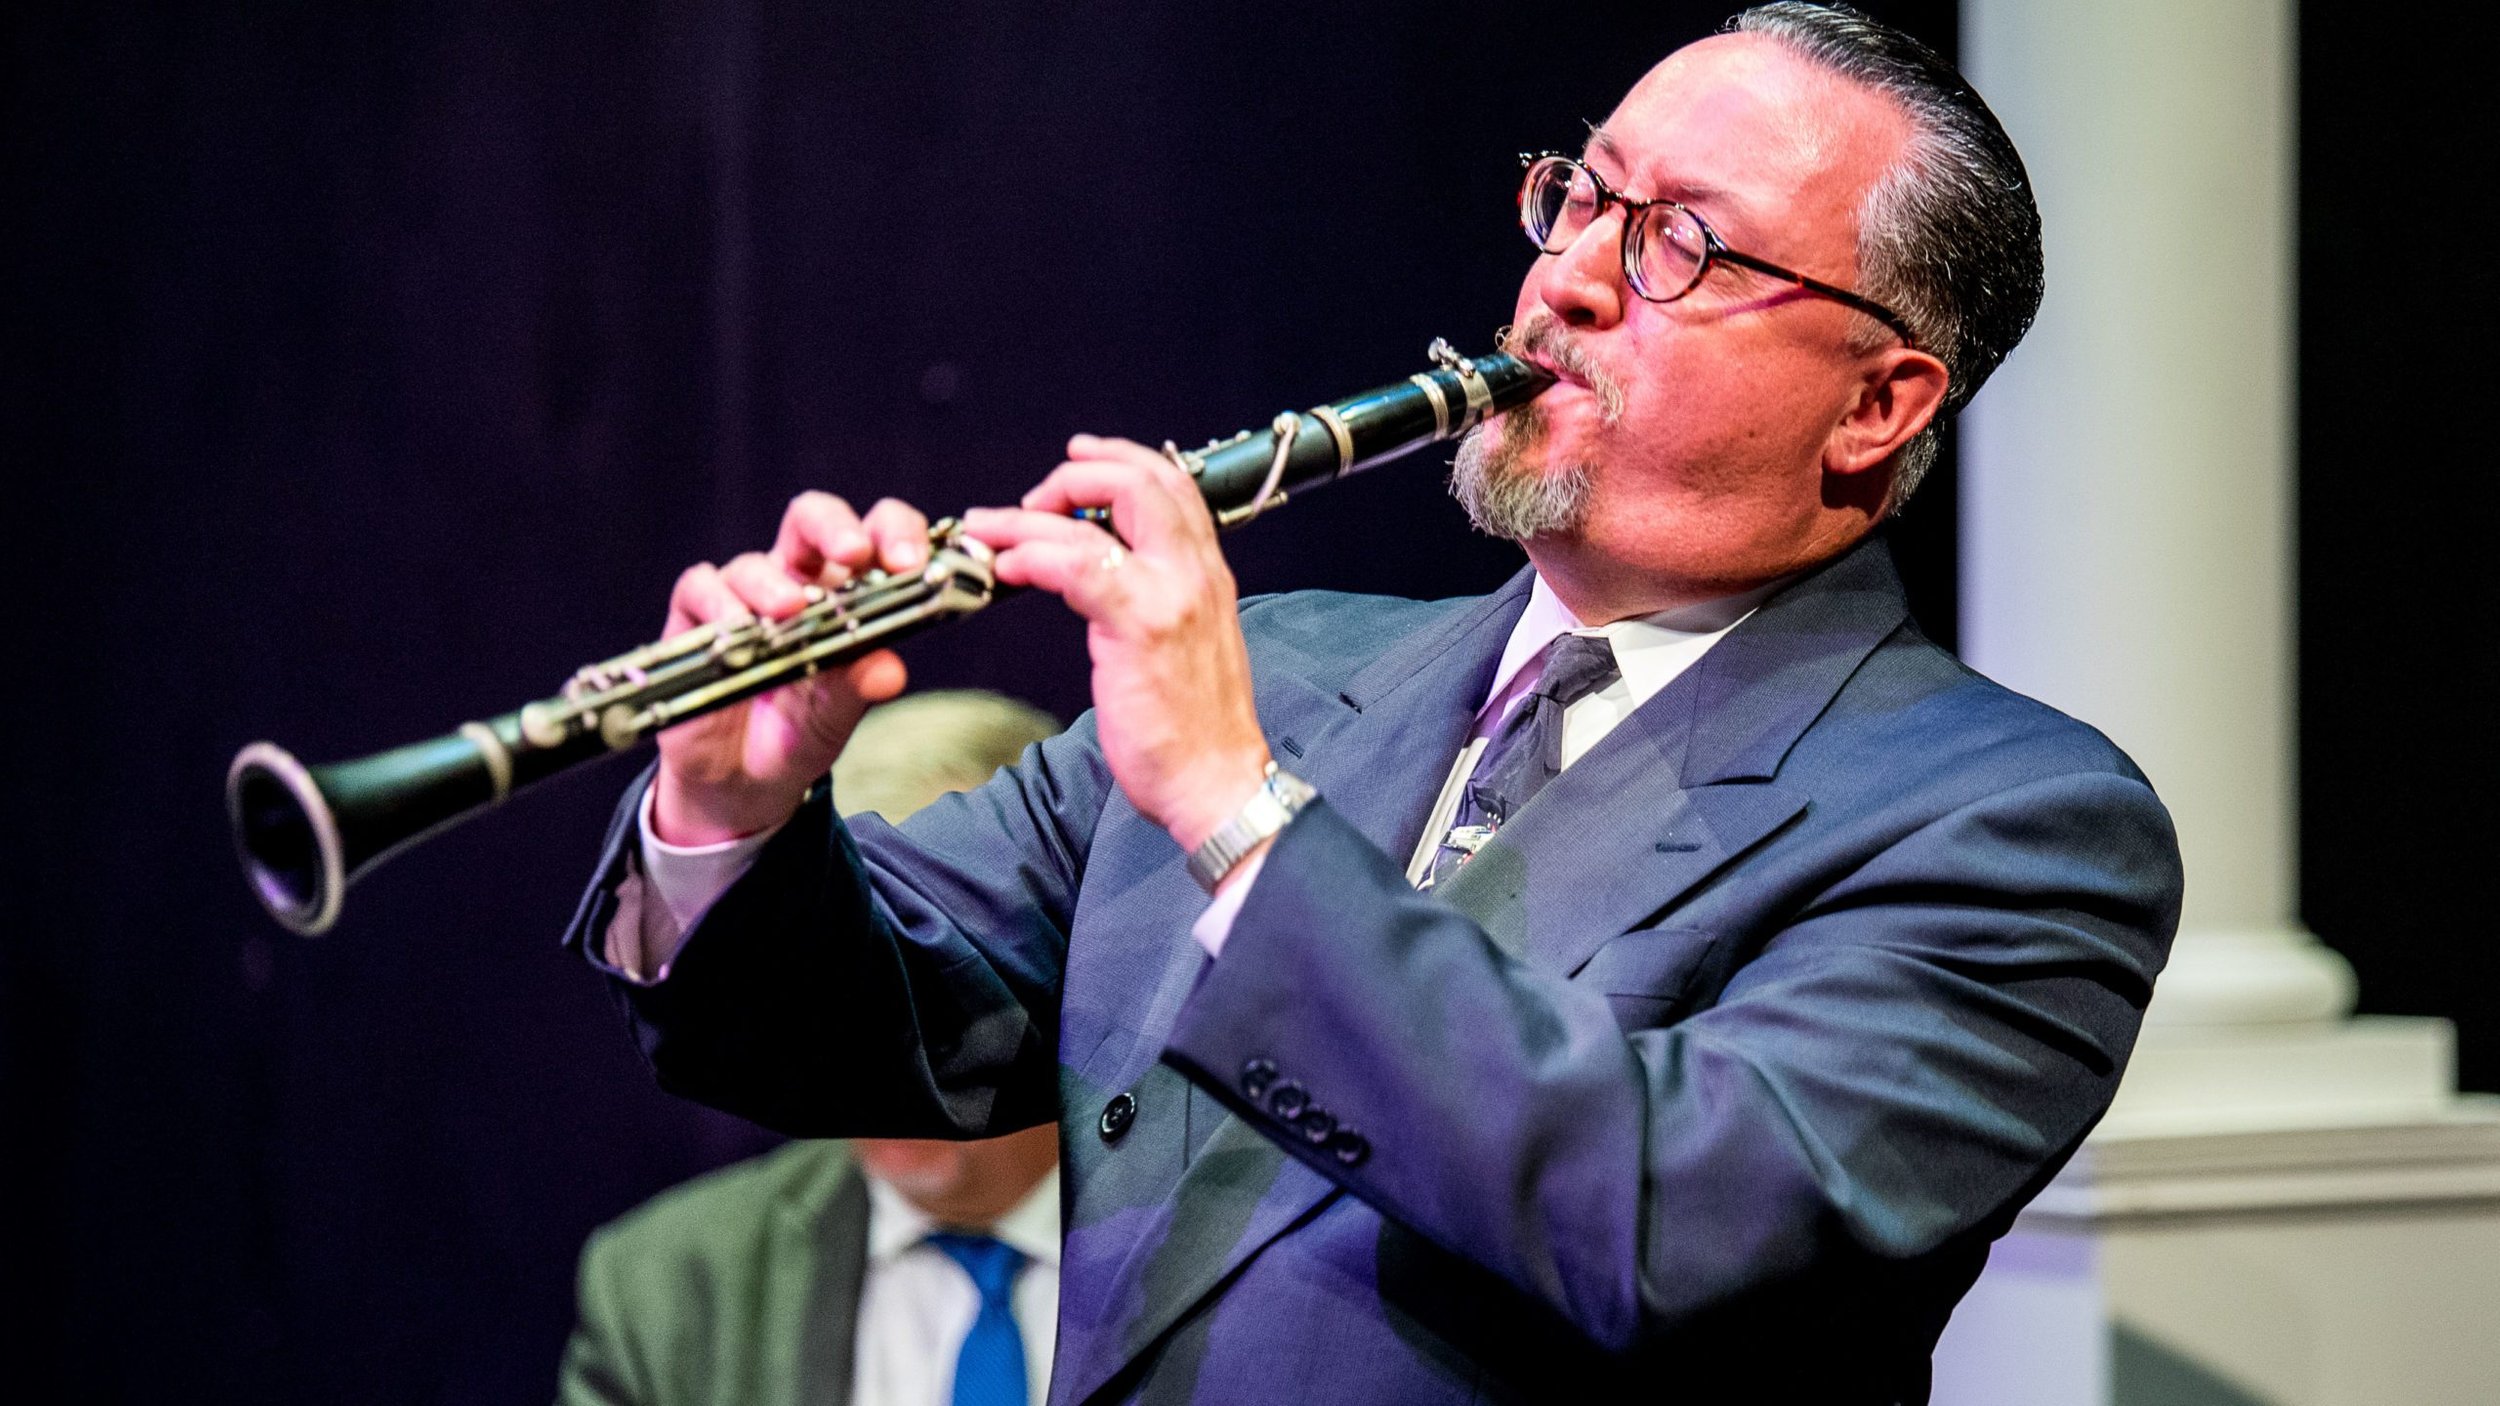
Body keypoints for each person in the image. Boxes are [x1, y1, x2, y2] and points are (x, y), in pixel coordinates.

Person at [566, 6, 2183, 1402]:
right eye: (1580, 198)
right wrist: (734, 805)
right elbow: (856, 1032)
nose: (1569, 279)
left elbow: (1670, 1219)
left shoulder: (2016, 826)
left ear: (1877, 402)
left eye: (1680, 242)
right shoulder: (1279, 668)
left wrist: (1236, 812)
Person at [559, 692, 1065, 1406]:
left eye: (923, 967)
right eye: (831, 974)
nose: (866, 1031)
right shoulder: (669, 1286)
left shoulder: (1218, 1236)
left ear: (1059, 938)